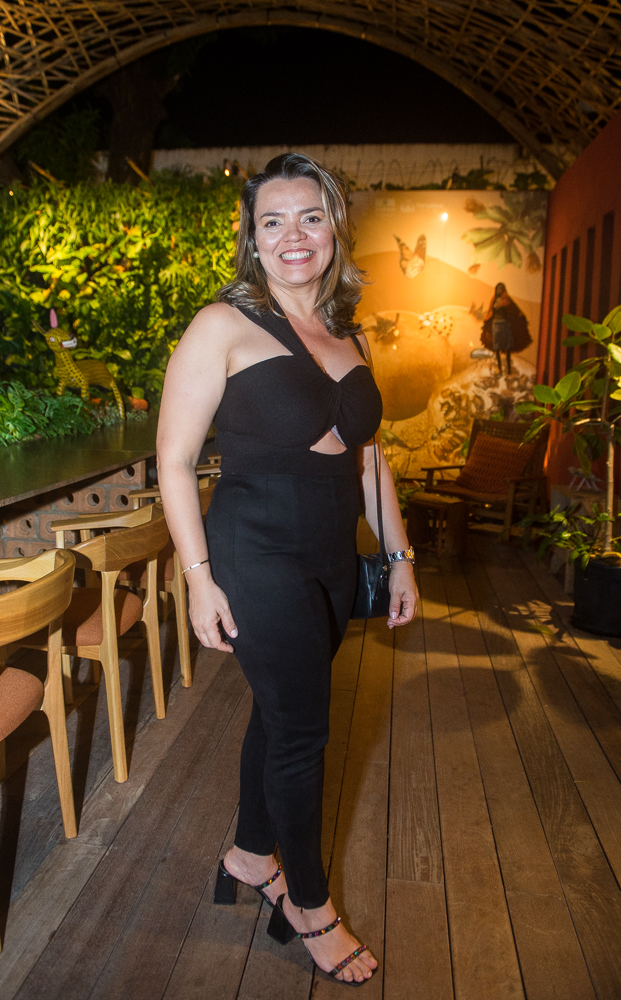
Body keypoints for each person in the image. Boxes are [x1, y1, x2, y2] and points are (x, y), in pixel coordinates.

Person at [156, 153, 419, 986]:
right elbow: (173, 462)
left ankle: (246, 854)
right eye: (273, 221)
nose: (292, 235)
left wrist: (399, 558)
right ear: (252, 237)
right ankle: (309, 905)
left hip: (332, 559)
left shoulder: (351, 334)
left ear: (334, 228)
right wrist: (199, 578)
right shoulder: (222, 325)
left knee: (281, 713)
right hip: (254, 551)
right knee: (304, 730)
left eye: (310, 216)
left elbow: (370, 459)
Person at [481, 281, 532, 375]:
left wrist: (520, 318)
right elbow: (490, 313)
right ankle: (500, 368)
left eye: (501, 289)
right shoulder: (494, 300)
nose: (499, 290)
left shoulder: (507, 299)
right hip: (496, 326)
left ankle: (508, 369)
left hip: (505, 326)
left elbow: (515, 311)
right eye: (498, 289)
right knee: (497, 348)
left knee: (507, 348)